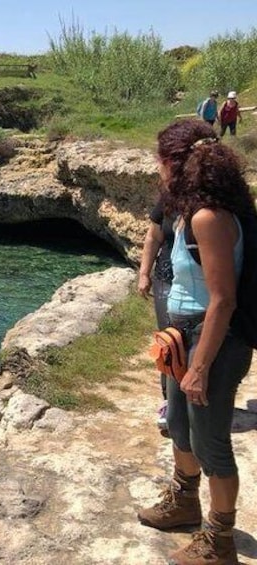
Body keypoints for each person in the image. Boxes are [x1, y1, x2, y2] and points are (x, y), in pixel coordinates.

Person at [137, 119, 256, 564]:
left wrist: (201, 366)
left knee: (211, 443)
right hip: (181, 336)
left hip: (212, 341)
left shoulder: (209, 218)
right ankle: (184, 503)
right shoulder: (186, 212)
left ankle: (219, 541)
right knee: (180, 428)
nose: (158, 168)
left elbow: (223, 301)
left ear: (179, 164)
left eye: (162, 160)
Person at [137, 197, 175, 435]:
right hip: (167, 279)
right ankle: (169, 402)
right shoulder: (170, 200)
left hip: (205, 284)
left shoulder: (218, 200)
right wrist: (144, 274)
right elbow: (153, 237)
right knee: (168, 342)